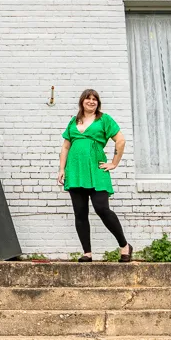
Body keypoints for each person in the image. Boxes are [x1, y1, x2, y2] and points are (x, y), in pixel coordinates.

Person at [56, 89, 131, 262]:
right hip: (75, 172)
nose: (91, 101)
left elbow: (121, 140)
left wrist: (114, 163)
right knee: (80, 213)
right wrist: (61, 169)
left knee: (102, 208)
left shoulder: (104, 119)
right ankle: (87, 253)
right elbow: (66, 147)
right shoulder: (74, 121)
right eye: (88, 99)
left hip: (96, 171)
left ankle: (124, 246)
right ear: (82, 101)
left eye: (94, 99)